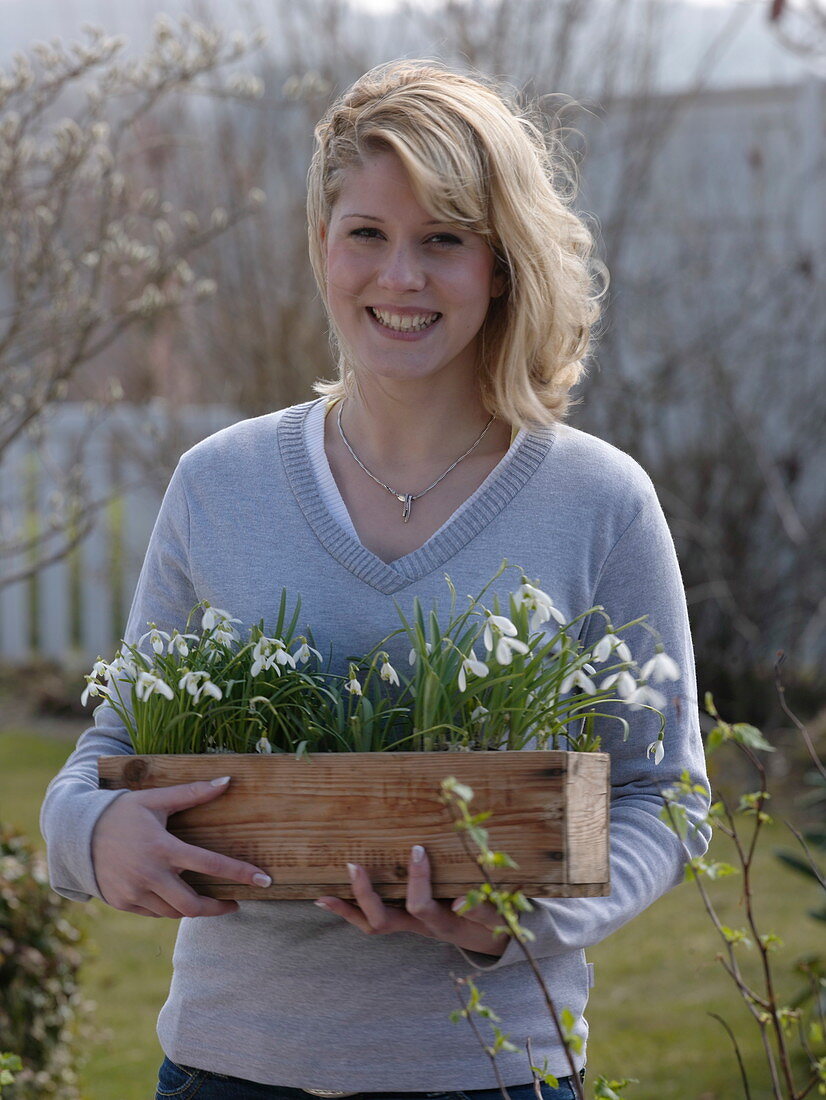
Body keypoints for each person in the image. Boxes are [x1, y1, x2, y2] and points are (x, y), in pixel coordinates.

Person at [41, 60, 711, 1100]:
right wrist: (91, 832)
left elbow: (663, 795)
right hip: (227, 1066)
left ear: (499, 265)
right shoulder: (220, 483)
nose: (400, 276)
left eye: (442, 238)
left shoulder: (598, 499)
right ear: (323, 249)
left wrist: (524, 918)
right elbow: (114, 745)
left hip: (490, 1072)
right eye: (367, 234)